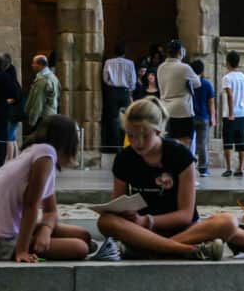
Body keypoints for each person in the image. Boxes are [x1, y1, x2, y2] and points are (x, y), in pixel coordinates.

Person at [96, 96, 236, 260]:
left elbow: (185, 214)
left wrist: (147, 221)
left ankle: (152, 250)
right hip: (140, 230)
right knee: (105, 221)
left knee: (228, 222)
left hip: (180, 228)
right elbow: (117, 206)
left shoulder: (180, 155)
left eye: (144, 136)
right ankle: (183, 249)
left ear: (158, 131)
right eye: (131, 136)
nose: (138, 143)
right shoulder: (124, 159)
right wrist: (127, 215)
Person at [0, 114, 119, 262]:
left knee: (84, 235)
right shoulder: (45, 154)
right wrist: (22, 251)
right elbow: (30, 205)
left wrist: (45, 230)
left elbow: (50, 211)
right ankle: (27, 246)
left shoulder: (41, 154)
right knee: (80, 247)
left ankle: (37, 243)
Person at [156, 39, 199, 148]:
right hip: (182, 110)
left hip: (166, 108)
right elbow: (197, 83)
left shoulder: (160, 67)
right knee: (185, 141)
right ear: (180, 52)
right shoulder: (184, 68)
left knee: (168, 140)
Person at [102, 42, 137, 155]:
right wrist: (130, 89)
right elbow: (133, 80)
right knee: (126, 119)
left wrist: (111, 84)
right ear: (124, 52)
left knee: (112, 120)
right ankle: (125, 145)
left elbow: (105, 78)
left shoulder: (108, 62)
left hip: (112, 92)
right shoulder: (130, 63)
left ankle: (115, 146)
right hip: (125, 92)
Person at [221, 51, 244, 178]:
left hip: (230, 114)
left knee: (228, 141)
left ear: (227, 62)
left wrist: (231, 113)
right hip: (242, 113)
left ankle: (228, 168)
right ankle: (240, 167)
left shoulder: (227, 78)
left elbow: (230, 95)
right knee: (241, 141)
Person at [190, 60, 215, 177]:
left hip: (190, 116)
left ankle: (189, 166)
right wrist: (213, 117)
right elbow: (211, 103)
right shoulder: (207, 84)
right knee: (202, 144)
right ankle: (203, 169)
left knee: (190, 143)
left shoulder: (189, 84)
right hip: (204, 116)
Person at [25, 55, 60, 133]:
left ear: (40, 65)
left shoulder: (42, 80)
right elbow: (58, 96)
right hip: (51, 114)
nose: (32, 65)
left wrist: (32, 120)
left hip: (41, 117)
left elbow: (38, 101)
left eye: (34, 63)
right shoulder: (53, 77)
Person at [4, 58, 23, 161]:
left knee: (9, 138)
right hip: (15, 114)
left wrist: (5, 101)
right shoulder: (16, 83)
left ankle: (10, 160)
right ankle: (16, 158)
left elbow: (15, 98)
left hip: (11, 114)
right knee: (13, 137)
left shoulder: (12, 84)